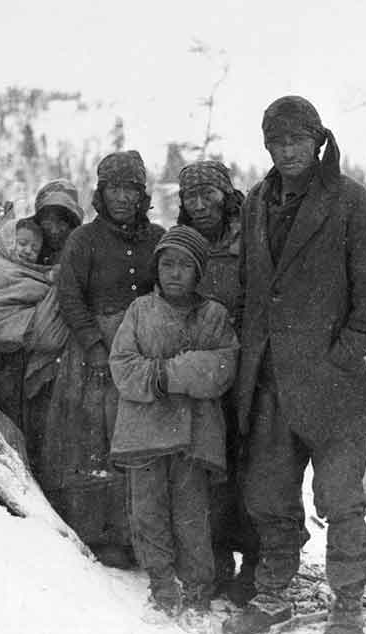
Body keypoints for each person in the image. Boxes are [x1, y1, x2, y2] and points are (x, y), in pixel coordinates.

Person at [223, 96, 366, 634]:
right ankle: (274, 594)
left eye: (298, 139)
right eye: (277, 140)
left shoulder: (350, 202)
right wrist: (250, 357)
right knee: (269, 495)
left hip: (332, 381)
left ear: (318, 142)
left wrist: (346, 351)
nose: (288, 150)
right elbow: (251, 289)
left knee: (340, 498)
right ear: (267, 145)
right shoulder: (255, 203)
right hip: (270, 379)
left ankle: (346, 601)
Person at [108, 225, 239, 630]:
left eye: (185, 265)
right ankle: (162, 587)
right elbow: (123, 366)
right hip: (144, 431)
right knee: (148, 512)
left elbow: (221, 368)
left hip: (194, 434)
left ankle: (198, 589)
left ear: (199, 272)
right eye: (167, 264)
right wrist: (168, 378)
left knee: (190, 513)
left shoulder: (214, 315)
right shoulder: (140, 311)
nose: (175, 273)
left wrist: (169, 371)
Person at [42, 150, 166, 569]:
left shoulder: (156, 238)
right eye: (114, 188)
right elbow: (70, 295)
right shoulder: (84, 240)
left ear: (141, 194)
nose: (122, 197)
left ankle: (140, 535)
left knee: (139, 440)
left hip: (143, 353)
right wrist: (93, 344)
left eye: (130, 189)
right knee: (94, 439)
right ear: (101, 191)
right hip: (94, 353)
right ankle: (100, 534)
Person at [175, 160, 260, 605]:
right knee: (210, 465)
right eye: (192, 196)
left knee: (254, 465)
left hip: (248, 367)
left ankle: (256, 564)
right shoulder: (184, 244)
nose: (201, 204)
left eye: (209, 193)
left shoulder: (251, 235)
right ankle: (216, 559)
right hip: (205, 371)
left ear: (226, 194)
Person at [0, 218, 67, 469]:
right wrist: (54, 281)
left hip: (16, 344)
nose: (27, 251)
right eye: (22, 243)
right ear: (7, 240)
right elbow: (32, 289)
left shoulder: (26, 271)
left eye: (34, 249)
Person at [30, 178, 83, 266]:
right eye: (47, 224)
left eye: (61, 223)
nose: (54, 231)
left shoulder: (81, 246)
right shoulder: (28, 240)